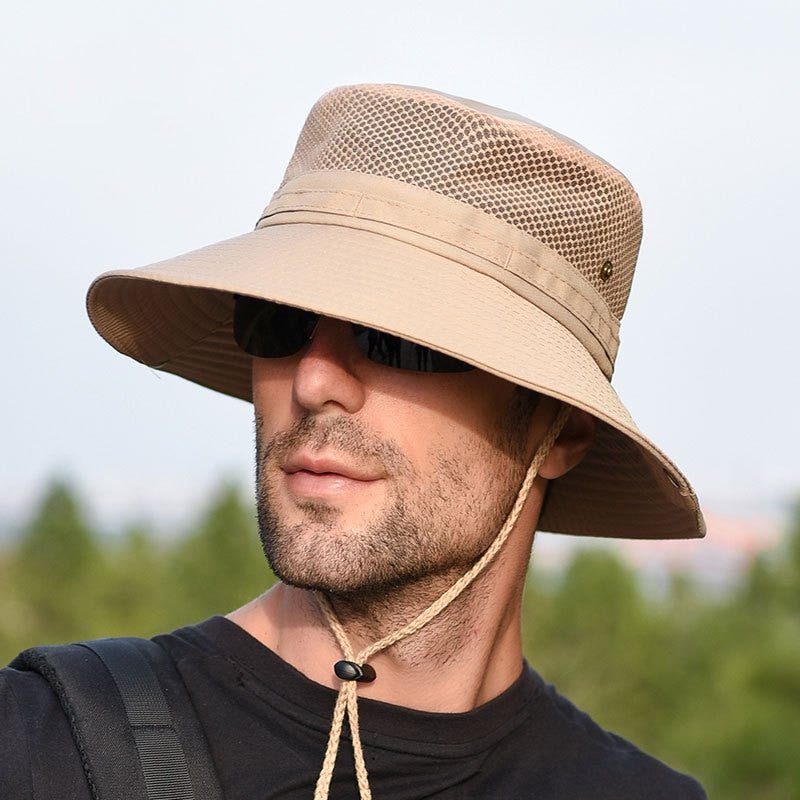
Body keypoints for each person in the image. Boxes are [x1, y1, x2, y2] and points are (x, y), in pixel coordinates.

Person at [1, 84, 708, 799]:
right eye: (279, 321)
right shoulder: (40, 746)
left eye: (397, 339)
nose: (312, 379)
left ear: (560, 428)